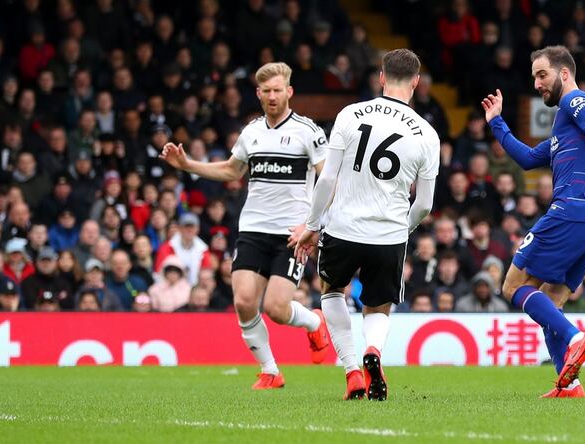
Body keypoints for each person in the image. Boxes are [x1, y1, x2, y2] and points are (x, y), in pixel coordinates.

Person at [160, 62, 329, 390]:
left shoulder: (308, 131)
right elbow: (231, 170)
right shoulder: (251, 132)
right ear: (258, 94)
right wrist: (186, 165)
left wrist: (315, 225)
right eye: (266, 91)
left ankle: (313, 321)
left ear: (289, 92)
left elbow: (329, 179)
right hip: (253, 228)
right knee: (243, 300)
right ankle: (270, 370)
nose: (272, 96)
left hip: (292, 233)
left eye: (278, 90)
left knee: (277, 308)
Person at [481, 45, 585, 398]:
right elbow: (529, 158)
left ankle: (576, 338)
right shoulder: (566, 128)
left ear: (564, 74)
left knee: (512, 286)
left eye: (542, 74)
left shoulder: (574, 102)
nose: (537, 83)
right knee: (551, 300)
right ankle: (570, 385)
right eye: (534, 76)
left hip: (571, 212)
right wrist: (497, 123)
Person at [296, 49, 440, 401]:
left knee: (331, 291)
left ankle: (351, 372)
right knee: (378, 306)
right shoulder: (427, 134)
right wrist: (400, 230)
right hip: (388, 234)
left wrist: (312, 225)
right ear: (417, 83)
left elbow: (327, 179)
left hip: (343, 228)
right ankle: (372, 350)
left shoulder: (350, 114)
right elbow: (424, 203)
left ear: (381, 77)